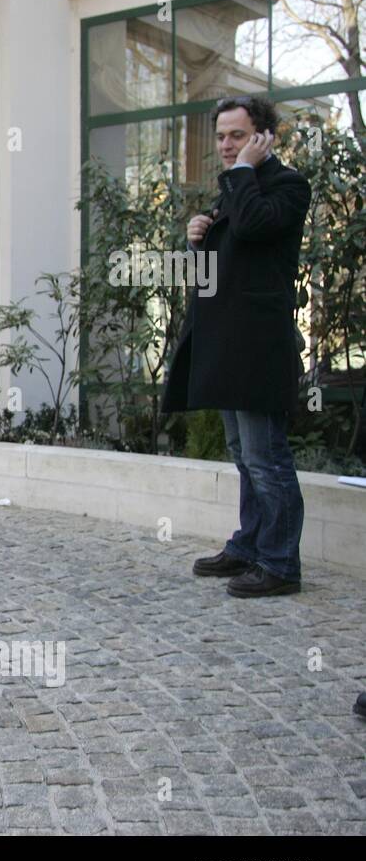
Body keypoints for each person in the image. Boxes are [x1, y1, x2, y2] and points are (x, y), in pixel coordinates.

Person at [162, 95, 311, 598]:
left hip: (258, 346)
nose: (227, 146)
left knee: (267, 457)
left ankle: (280, 564)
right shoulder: (234, 191)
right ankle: (248, 546)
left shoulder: (287, 186)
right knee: (244, 456)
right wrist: (198, 240)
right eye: (222, 136)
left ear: (265, 136)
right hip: (226, 343)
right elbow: (220, 269)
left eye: (238, 135)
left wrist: (243, 173)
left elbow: (254, 226)